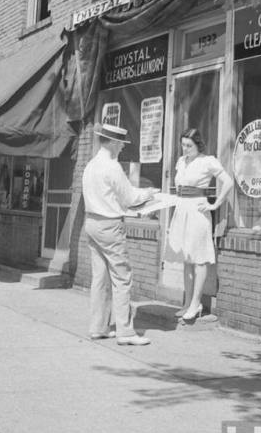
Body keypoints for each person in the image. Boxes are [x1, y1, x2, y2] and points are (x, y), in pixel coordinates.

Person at [82, 122, 159, 346]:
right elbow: (130, 199)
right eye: (121, 144)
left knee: (99, 277)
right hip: (110, 225)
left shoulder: (91, 165)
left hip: (92, 222)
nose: (123, 148)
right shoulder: (112, 167)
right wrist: (149, 193)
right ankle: (125, 332)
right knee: (122, 277)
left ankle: (98, 327)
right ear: (114, 143)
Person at [168, 128, 233, 322]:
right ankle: (187, 303)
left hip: (198, 212)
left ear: (198, 145)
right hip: (182, 211)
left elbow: (228, 182)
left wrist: (215, 203)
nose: (185, 149)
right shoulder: (181, 162)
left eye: (189, 145)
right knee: (186, 258)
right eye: (183, 145)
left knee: (199, 258)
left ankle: (197, 303)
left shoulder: (207, 161)